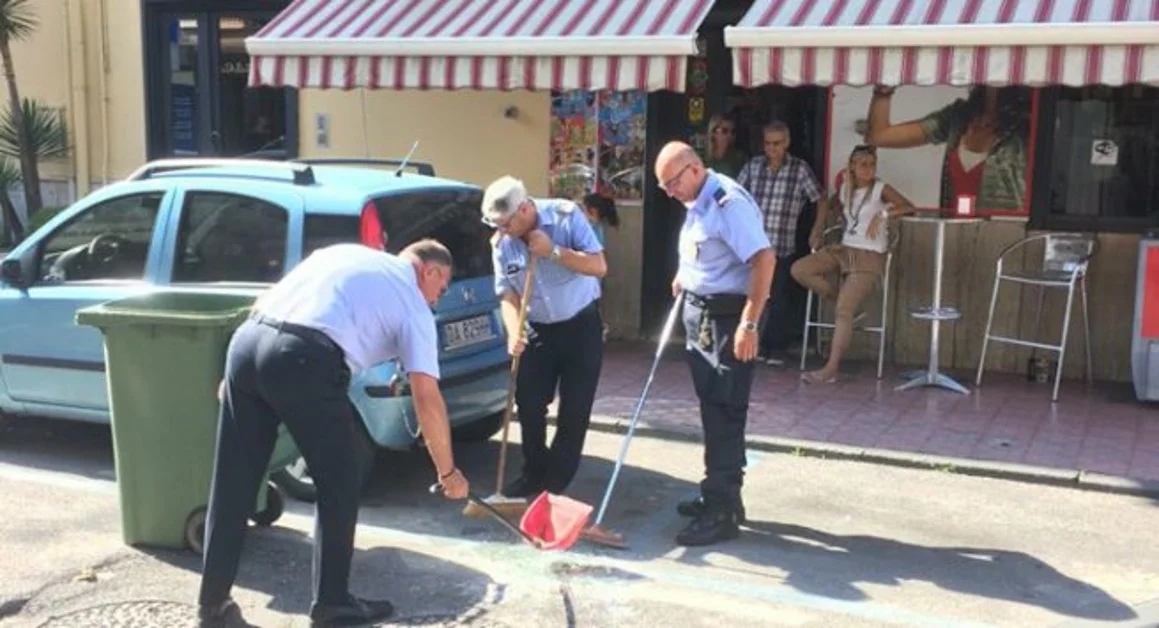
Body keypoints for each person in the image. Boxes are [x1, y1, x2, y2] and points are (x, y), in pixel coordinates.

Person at [197, 240, 470, 627]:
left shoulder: (344, 253)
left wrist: (239, 376)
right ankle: (332, 604)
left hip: (247, 343)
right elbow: (427, 397)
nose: (435, 301)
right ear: (431, 271)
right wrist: (448, 471)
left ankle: (212, 607)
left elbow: (268, 299)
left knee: (233, 482)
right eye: (440, 291)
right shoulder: (412, 302)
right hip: (304, 359)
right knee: (339, 482)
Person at [656, 141, 774, 546]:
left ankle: (721, 512)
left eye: (673, 183)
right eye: (664, 187)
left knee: (725, 408)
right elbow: (705, 248)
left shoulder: (727, 203)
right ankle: (721, 495)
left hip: (729, 316)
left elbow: (763, 259)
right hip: (703, 312)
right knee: (712, 406)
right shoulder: (698, 198)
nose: (670, 193)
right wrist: (685, 275)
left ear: (694, 169)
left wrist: (749, 323)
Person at [482, 176, 608, 498]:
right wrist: (514, 331)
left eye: (506, 223)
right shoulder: (502, 244)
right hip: (537, 329)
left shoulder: (566, 217)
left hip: (580, 326)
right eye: (496, 225)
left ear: (525, 209)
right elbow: (507, 294)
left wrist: (554, 252)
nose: (502, 231)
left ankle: (555, 483)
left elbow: (598, 265)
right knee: (529, 403)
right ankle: (534, 471)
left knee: (575, 409)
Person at [793, 145, 915, 384]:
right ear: (852, 166)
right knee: (800, 270)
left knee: (843, 311)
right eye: (863, 164)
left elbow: (909, 207)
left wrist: (884, 214)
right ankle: (844, 304)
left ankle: (830, 369)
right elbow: (827, 204)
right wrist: (818, 229)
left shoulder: (880, 188)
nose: (868, 169)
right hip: (845, 248)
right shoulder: (845, 189)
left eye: (872, 164)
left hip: (869, 254)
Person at [736, 121, 828, 366]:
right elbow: (734, 196)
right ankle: (753, 345)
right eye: (768, 143)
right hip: (752, 246)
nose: (772, 149)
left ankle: (775, 347)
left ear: (787, 143)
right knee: (753, 296)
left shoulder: (799, 169)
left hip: (781, 244)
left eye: (777, 143)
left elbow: (820, 198)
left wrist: (817, 229)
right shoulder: (753, 167)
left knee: (777, 298)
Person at [865, 85, 1029, 211]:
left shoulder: (1028, 124)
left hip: (1004, 235)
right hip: (954, 232)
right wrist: (884, 90)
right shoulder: (959, 115)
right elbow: (879, 136)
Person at [705, 113, 748, 178]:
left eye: (733, 132)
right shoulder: (701, 156)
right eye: (724, 131)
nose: (730, 135)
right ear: (713, 132)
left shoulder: (740, 158)